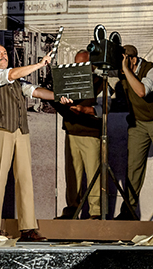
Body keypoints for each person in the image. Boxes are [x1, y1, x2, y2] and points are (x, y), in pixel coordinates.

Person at [0, 43, 54, 241]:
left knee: (25, 179)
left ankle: (28, 228)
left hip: (21, 131)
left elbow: (36, 91)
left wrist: (60, 97)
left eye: (4, 52)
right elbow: (10, 75)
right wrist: (40, 64)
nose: (3, 55)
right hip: (2, 130)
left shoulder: (16, 82)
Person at [115, 45, 153, 221]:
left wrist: (126, 70)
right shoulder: (123, 71)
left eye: (123, 61)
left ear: (132, 59)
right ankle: (128, 210)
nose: (120, 67)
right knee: (133, 168)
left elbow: (142, 91)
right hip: (139, 123)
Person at [54, 50, 106, 220]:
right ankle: (72, 209)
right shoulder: (68, 82)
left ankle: (96, 212)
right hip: (71, 131)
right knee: (72, 174)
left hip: (90, 133)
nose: (78, 67)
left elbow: (106, 107)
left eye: (82, 64)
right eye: (76, 64)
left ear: (92, 66)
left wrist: (86, 110)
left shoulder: (100, 83)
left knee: (94, 174)